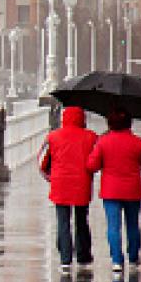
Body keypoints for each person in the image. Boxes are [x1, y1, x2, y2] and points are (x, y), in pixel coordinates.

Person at [86, 108, 141, 273]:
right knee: (133, 226)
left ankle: (116, 260)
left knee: (113, 227)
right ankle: (133, 257)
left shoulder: (104, 142)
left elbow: (92, 166)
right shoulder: (138, 143)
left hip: (110, 192)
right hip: (132, 191)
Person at [40, 106, 99, 272]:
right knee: (82, 220)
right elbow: (97, 160)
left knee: (63, 221)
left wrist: (50, 177)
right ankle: (83, 254)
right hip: (82, 184)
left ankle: (65, 259)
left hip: (60, 185)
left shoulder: (52, 137)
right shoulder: (91, 137)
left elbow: (41, 160)